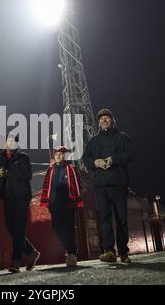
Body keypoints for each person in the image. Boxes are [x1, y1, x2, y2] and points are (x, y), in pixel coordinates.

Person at [82, 109, 136, 263]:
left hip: (118, 184)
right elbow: (85, 158)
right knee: (104, 218)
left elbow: (131, 154)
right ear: (98, 123)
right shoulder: (93, 141)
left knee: (122, 220)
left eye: (107, 118)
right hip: (100, 186)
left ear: (113, 120)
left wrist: (114, 159)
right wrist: (94, 162)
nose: (104, 120)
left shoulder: (123, 138)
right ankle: (109, 251)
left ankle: (124, 252)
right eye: (101, 119)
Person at [0, 134, 40, 273]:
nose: (11, 143)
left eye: (14, 141)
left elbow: (27, 175)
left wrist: (8, 172)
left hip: (21, 197)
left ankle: (16, 261)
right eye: (9, 140)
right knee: (10, 228)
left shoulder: (23, 157)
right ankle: (31, 252)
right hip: (8, 198)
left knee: (19, 228)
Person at [40, 146, 83, 267]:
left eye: (61, 154)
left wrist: (75, 200)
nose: (58, 156)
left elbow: (77, 185)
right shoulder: (50, 170)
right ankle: (69, 248)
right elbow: (46, 186)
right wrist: (47, 201)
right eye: (56, 154)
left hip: (68, 204)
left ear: (65, 156)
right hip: (54, 204)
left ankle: (71, 253)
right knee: (56, 227)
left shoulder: (71, 168)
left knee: (69, 228)